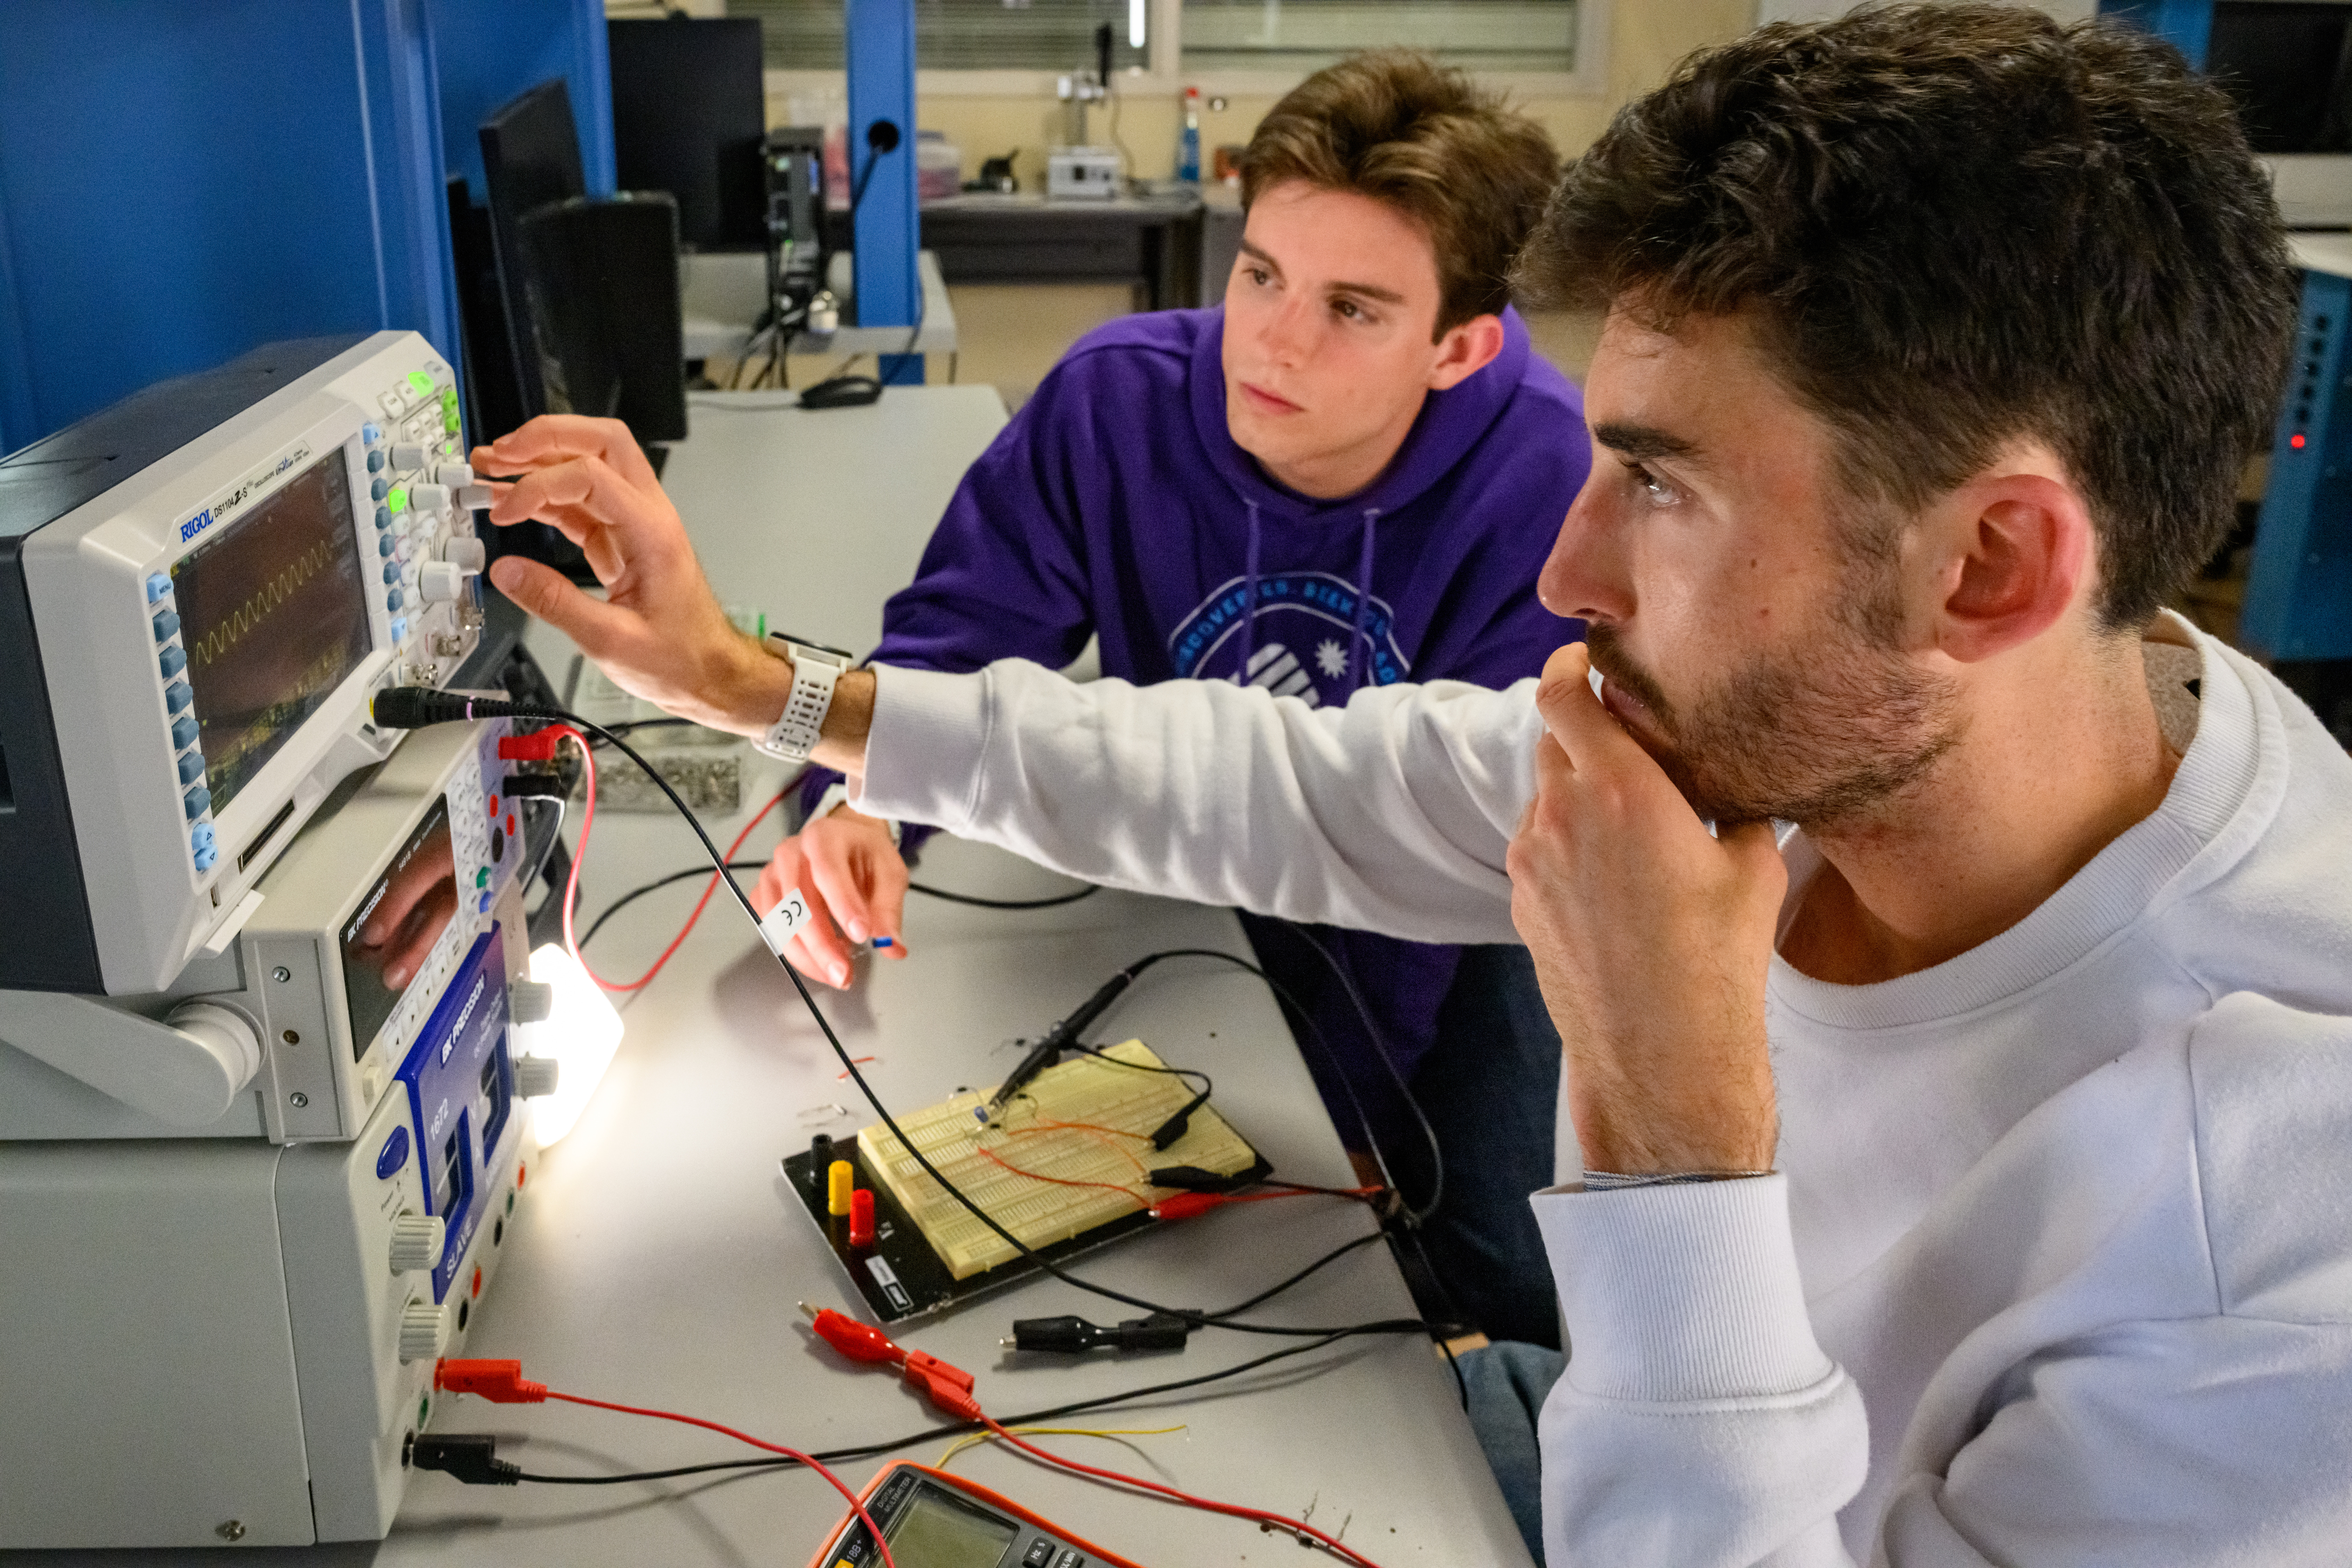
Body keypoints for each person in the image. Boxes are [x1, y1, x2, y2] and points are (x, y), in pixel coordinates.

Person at [472, 5, 2352, 1561]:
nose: (1563, 572)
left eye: (1664, 487)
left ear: (1987, 570)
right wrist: (751, 684)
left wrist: (1673, 1133)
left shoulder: (2268, 1238)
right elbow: (1273, 782)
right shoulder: (1836, 733)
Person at [760, 51, 1587, 1347]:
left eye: (1354, 310)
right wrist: (858, 804)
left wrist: (1349, 1142)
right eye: (1260, 274)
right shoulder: (1117, 401)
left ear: (1459, 345)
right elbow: (956, 639)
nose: (1272, 340)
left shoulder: (1545, 470)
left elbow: (1468, 837)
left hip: (1454, 923)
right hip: (1187, 871)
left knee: (1489, 1255)